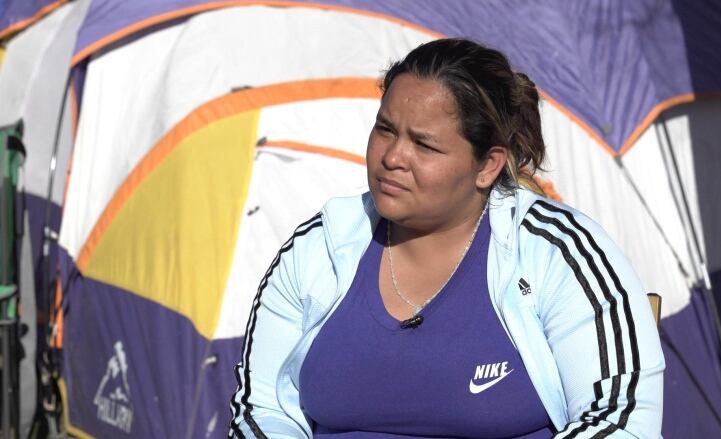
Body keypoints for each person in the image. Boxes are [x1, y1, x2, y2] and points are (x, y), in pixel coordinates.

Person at [229, 38, 664, 439]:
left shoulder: (557, 254)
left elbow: (621, 420)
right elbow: (260, 410)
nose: (393, 157)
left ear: (488, 165)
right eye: (385, 129)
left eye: (424, 145)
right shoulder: (319, 249)